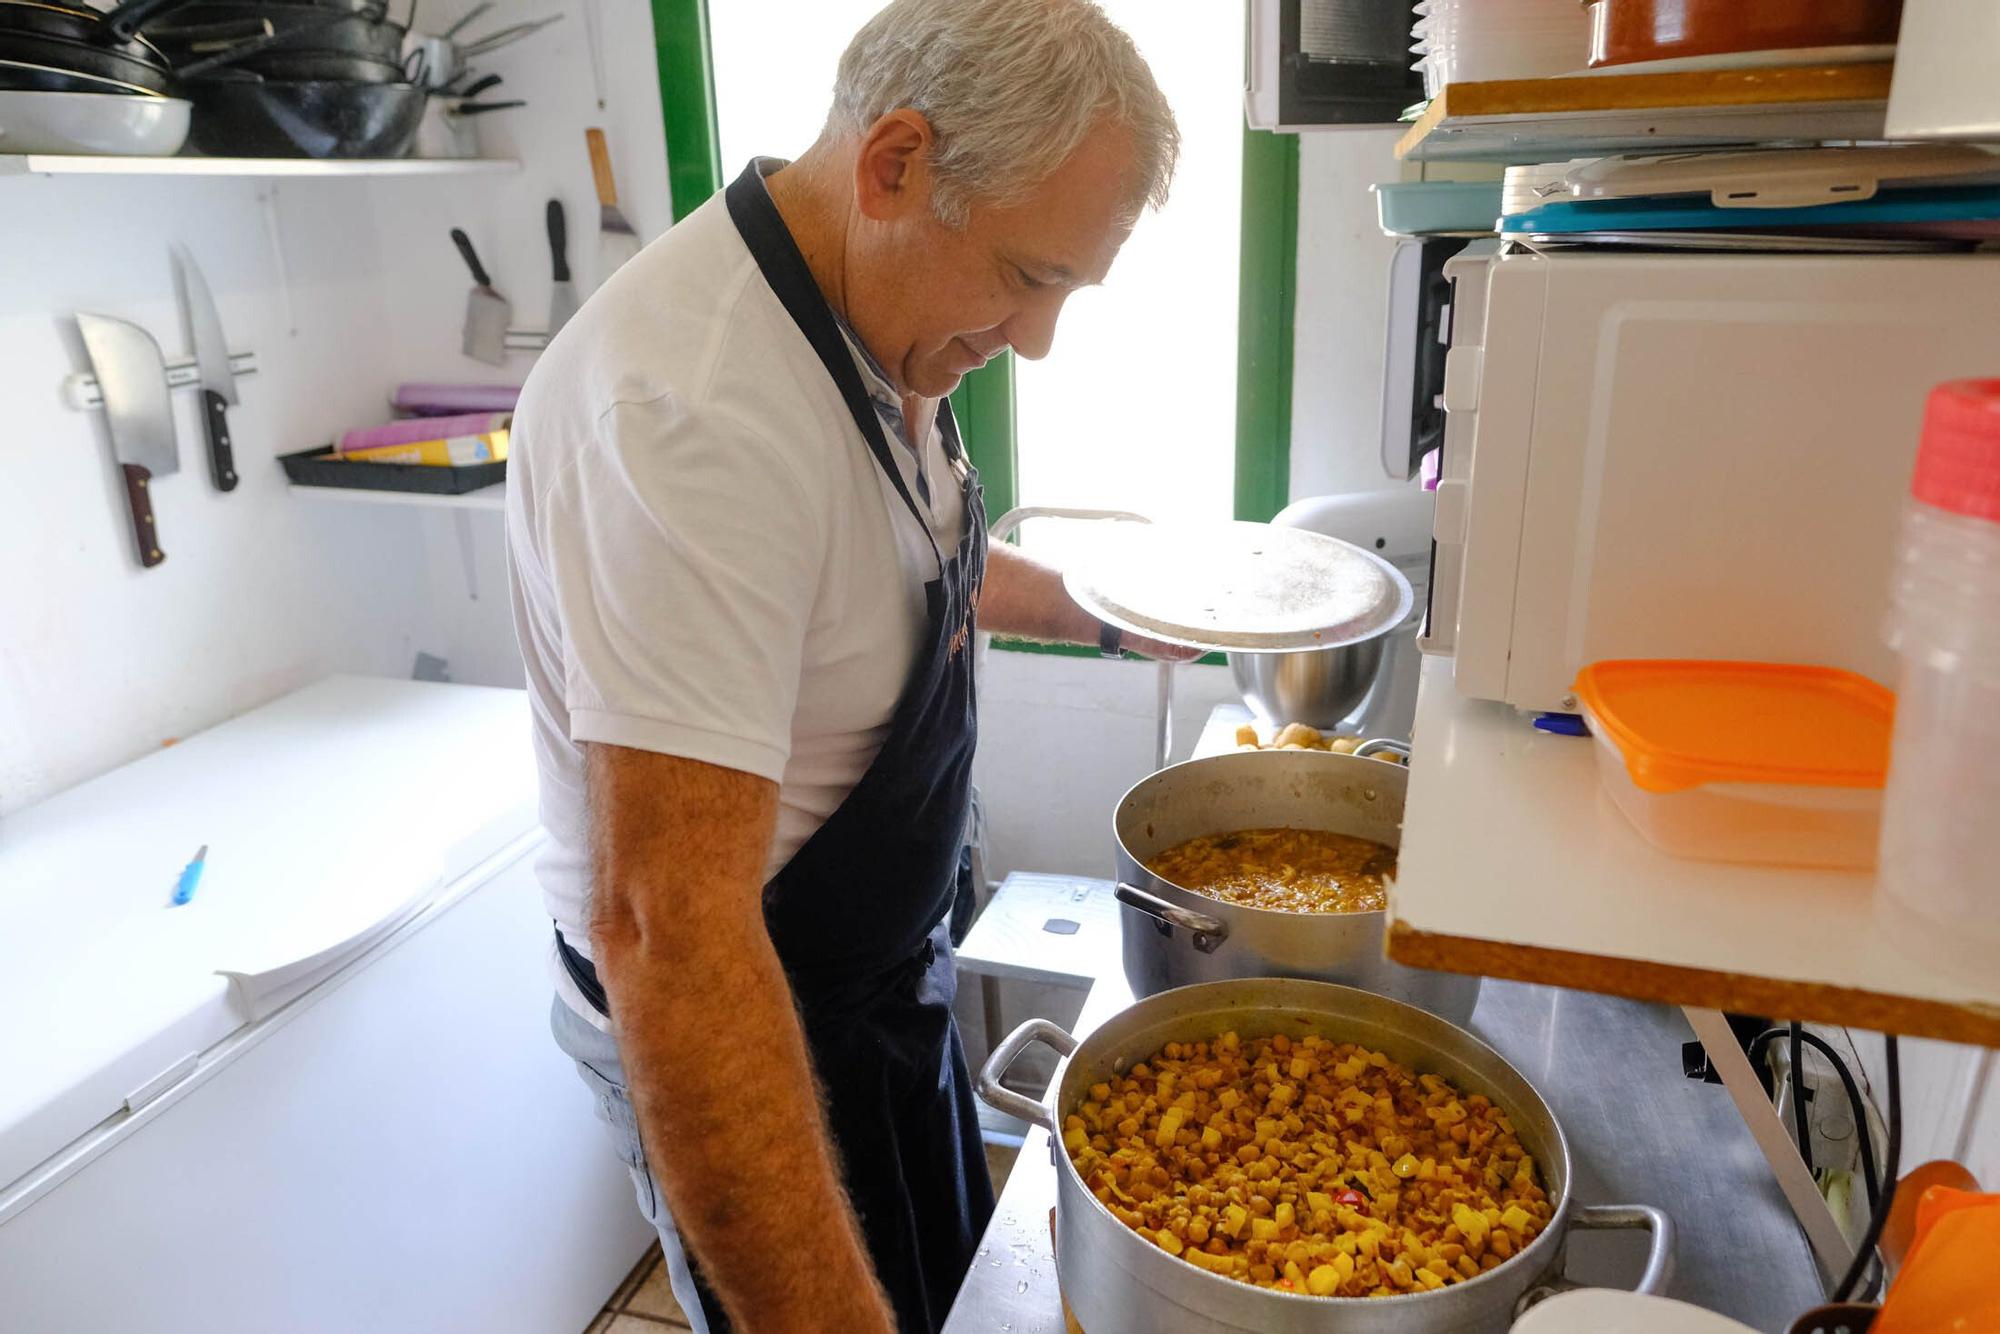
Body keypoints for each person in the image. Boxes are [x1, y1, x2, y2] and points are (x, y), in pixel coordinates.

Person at [505, 2, 1181, 1329]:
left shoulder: (878, 304)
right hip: (744, 1021)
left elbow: (889, 565)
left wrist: (1098, 605)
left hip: (873, 982)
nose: (1035, 339)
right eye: (1030, 279)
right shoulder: (694, 415)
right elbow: (669, 934)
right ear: (894, 165)